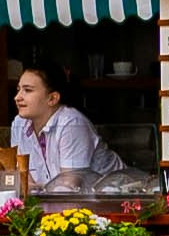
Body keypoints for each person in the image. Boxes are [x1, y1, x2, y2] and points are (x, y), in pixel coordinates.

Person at [9, 60, 122, 196]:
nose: (17, 97)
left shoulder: (72, 123)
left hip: (116, 197)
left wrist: (36, 189)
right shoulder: (19, 123)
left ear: (52, 98)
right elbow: (24, 180)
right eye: (18, 89)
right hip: (63, 200)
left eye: (27, 90)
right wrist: (33, 188)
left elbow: (68, 187)